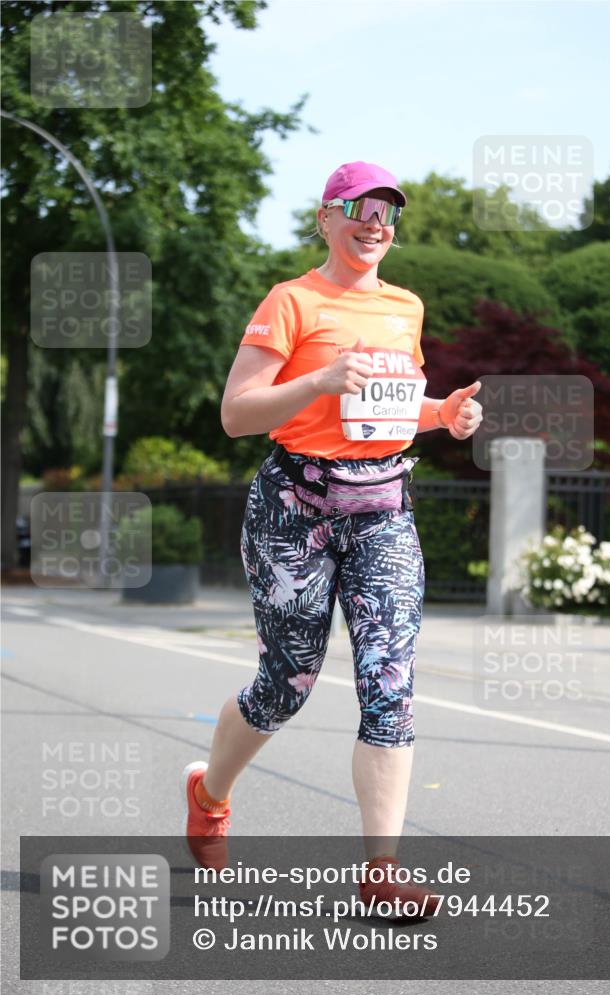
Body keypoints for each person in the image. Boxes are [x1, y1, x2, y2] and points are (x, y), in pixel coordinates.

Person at [183, 161, 483, 916]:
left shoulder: (404, 307)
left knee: (389, 684)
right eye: (360, 208)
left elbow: (390, 409)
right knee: (285, 682)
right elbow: (237, 413)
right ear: (325, 218)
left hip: (382, 510)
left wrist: (442, 413)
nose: (376, 223)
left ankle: (380, 872)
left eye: (388, 213)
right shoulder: (291, 301)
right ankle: (210, 793)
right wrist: (316, 382)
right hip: (293, 508)